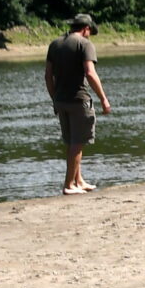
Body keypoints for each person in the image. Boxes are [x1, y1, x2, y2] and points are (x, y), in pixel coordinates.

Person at [44, 16, 113, 195]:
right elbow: (90, 73)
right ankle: (68, 185)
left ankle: (78, 180)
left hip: (61, 101)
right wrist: (104, 99)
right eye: (90, 31)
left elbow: (48, 76)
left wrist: (54, 100)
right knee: (78, 143)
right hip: (79, 100)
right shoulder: (84, 44)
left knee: (72, 142)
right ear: (86, 28)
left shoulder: (55, 44)